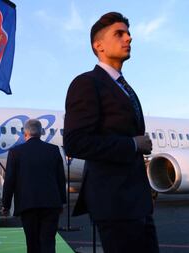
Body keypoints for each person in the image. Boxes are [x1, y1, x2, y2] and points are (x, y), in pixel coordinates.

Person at [63, 12, 159, 253]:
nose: (129, 38)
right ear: (99, 45)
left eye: (128, 33)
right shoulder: (87, 83)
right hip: (115, 203)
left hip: (138, 203)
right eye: (119, 33)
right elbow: (75, 142)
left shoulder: (125, 87)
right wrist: (133, 145)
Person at [2, 119, 66, 253]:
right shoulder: (53, 150)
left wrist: (6, 205)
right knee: (48, 242)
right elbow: (60, 178)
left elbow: (9, 181)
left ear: (25, 133)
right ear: (41, 133)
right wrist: (62, 202)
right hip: (51, 204)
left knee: (32, 243)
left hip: (28, 204)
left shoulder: (15, 152)